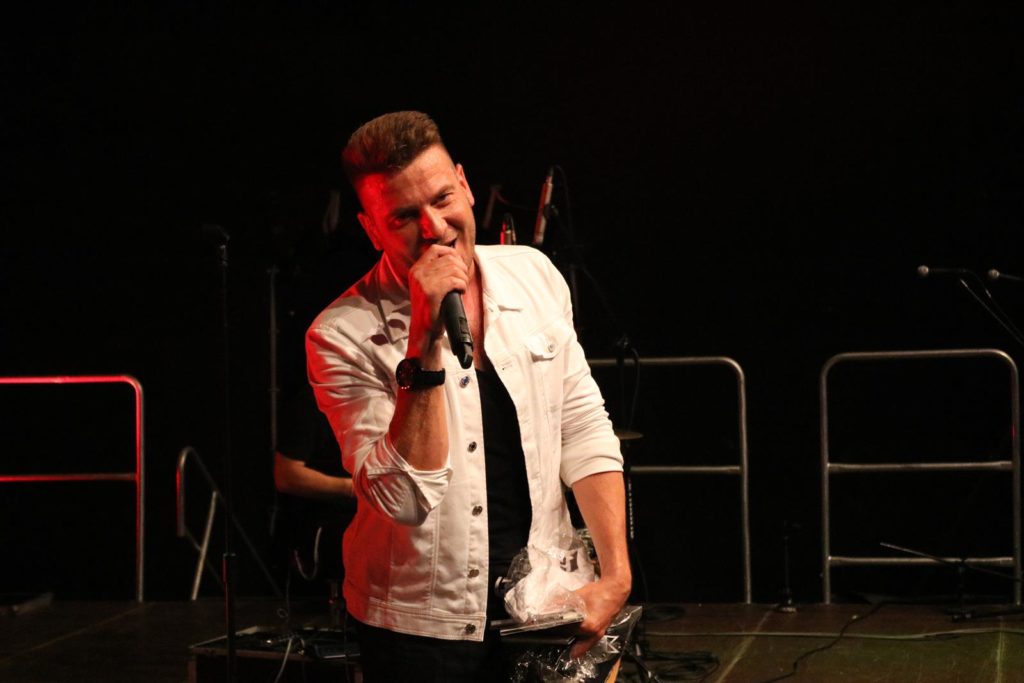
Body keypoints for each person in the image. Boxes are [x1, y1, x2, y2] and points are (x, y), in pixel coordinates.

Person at [306, 111, 630, 681]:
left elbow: (581, 426)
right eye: (404, 216)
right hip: (421, 630)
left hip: (546, 599)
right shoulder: (340, 335)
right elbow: (404, 498)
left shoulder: (534, 274)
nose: (434, 227)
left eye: (442, 198)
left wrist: (616, 577)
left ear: (465, 183)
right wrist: (424, 339)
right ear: (371, 229)